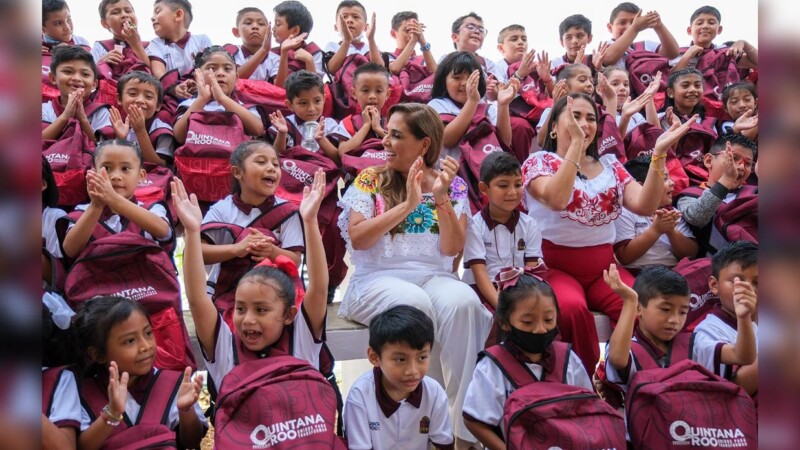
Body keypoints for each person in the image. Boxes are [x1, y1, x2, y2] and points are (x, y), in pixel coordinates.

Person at [337, 102, 491, 447]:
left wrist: (441, 198)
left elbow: (452, 248)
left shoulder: (453, 186)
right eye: (387, 133)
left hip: (435, 277)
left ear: (424, 144)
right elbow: (358, 239)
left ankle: (465, 433)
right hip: (375, 279)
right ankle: (426, 429)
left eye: (396, 135)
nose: (385, 141)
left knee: (464, 303)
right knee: (415, 304)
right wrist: (407, 205)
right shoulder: (371, 179)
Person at [521, 93, 696, 373]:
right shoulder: (538, 162)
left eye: (591, 118)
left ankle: (642, 379)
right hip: (554, 268)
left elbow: (645, 205)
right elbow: (556, 199)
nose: (584, 123)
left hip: (605, 270)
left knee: (641, 305)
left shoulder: (611, 165)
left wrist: (659, 154)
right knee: (572, 309)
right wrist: (575, 147)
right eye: (575, 116)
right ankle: (588, 382)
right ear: (553, 127)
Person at [174, 167, 328, 392]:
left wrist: (310, 221)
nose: (247, 319)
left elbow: (319, 287)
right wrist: (191, 232)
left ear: (289, 315)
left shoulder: (301, 338)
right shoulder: (225, 347)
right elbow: (197, 299)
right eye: (240, 308)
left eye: (261, 310)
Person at [462, 268, 593, 449]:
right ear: (504, 323)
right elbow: (474, 420)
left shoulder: (569, 360)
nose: (540, 329)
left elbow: (587, 409)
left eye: (548, 320)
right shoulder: (492, 366)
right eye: (528, 322)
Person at [71, 296, 206, 450]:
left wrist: (186, 410)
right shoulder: (84, 394)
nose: (145, 346)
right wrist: (111, 414)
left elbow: (191, 442)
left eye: (148, 333)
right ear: (97, 354)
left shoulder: (172, 384)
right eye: (130, 341)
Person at [603, 264, 757, 391]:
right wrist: (629, 302)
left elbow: (742, 356)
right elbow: (618, 360)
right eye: (665, 309)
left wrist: (744, 317)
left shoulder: (694, 344)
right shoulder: (628, 348)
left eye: (683, 312)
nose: (675, 320)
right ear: (638, 308)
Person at [199, 141, 304, 307]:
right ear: (237, 172)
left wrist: (271, 251)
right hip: (226, 294)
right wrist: (236, 249)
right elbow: (199, 252)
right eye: (261, 162)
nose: (271, 168)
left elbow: (295, 261)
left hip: (274, 297)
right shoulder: (221, 209)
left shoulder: (288, 211)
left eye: (275, 164)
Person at [344, 305, 454, 450]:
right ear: (374, 357)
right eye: (400, 359)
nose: (412, 371)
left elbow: (443, 444)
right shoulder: (360, 396)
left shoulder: (434, 393)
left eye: (422, 357)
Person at [59, 140, 173, 259]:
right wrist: (96, 206)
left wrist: (113, 199)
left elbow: (163, 232)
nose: (116, 176)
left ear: (141, 176)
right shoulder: (83, 211)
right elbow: (70, 250)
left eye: (125, 168)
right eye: (107, 168)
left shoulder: (151, 208)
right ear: (94, 173)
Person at [428, 51, 516, 164]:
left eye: (471, 77)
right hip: (451, 172)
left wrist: (503, 105)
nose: (465, 83)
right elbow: (447, 140)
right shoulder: (438, 104)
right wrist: (472, 101)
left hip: (484, 171)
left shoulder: (487, 109)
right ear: (443, 81)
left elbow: (504, 142)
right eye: (457, 77)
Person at [675, 134, 756, 255]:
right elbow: (696, 218)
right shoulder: (690, 195)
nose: (741, 167)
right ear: (708, 160)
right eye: (733, 158)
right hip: (708, 263)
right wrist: (726, 181)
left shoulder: (755, 193)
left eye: (748, 164)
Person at [694, 241, 758, 395]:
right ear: (714, 285)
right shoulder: (708, 330)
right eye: (737, 281)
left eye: (758, 282)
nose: (749, 288)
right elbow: (730, 390)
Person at [614, 155, 697, 271]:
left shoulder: (672, 212)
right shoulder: (625, 211)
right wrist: (656, 230)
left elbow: (692, 254)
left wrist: (672, 231)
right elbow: (623, 257)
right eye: (665, 179)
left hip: (672, 272)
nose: (672, 183)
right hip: (637, 273)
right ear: (642, 186)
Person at [172, 46, 265, 143]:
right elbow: (179, 136)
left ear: (236, 78)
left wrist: (222, 99)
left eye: (227, 69)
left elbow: (257, 130)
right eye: (212, 68)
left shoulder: (243, 107)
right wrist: (202, 99)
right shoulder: (189, 105)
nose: (220, 73)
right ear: (197, 76)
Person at [42, 45, 113, 143]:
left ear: (94, 84)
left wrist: (82, 119)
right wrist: (65, 116)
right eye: (68, 72)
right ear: (53, 78)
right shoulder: (44, 109)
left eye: (85, 74)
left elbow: (101, 146)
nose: (77, 78)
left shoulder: (100, 112)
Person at [269, 70, 340, 163]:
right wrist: (282, 133)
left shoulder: (331, 125)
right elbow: (276, 157)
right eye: (303, 103)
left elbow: (338, 160)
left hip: (325, 169)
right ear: (290, 105)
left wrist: (321, 139)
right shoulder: (285, 125)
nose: (311, 109)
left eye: (317, 101)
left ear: (324, 99)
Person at [146, 0, 212, 98]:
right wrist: (174, 89)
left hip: (201, 95)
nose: (152, 18)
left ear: (178, 15)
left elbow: (209, 68)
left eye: (158, 11)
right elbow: (158, 72)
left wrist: (198, 84)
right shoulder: (156, 44)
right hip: (170, 97)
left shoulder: (202, 40)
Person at [109, 71, 173, 166]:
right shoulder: (116, 124)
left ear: (158, 105)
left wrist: (140, 131)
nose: (140, 100)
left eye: (148, 97)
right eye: (132, 94)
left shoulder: (162, 130)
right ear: (119, 99)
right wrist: (121, 139)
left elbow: (160, 165)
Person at [671, 5, 758, 72]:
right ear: (689, 30)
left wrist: (744, 43)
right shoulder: (676, 53)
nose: (705, 26)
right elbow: (668, 79)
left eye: (711, 23)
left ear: (719, 30)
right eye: (699, 23)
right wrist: (687, 56)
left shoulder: (724, 54)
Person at [334, 63, 391, 158]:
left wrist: (378, 129)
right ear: (353, 93)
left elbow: (403, 147)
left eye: (379, 91)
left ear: (387, 94)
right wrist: (366, 125)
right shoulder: (348, 122)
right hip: (360, 166)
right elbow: (342, 152)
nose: (372, 96)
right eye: (365, 90)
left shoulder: (393, 121)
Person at [601, 2, 680, 69]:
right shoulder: (607, 45)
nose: (629, 27)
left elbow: (673, 53)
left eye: (633, 22)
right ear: (610, 27)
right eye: (622, 23)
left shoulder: (645, 45)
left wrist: (659, 26)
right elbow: (607, 59)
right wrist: (635, 27)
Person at [271, 0, 325, 87]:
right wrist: (284, 53)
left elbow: (317, 89)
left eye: (278, 24)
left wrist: (309, 61)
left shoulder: (314, 52)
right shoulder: (273, 53)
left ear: (295, 30)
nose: (273, 29)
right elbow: (279, 88)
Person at [91, 0, 150, 77]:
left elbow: (156, 76)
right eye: (115, 12)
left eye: (128, 11)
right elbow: (87, 72)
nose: (124, 15)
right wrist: (101, 62)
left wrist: (136, 45)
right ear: (105, 23)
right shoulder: (100, 47)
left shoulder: (150, 46)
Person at [324, 1, 385, 74]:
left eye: (355, 17)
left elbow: (381, 71)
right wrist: (347, 41)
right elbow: (331, 69)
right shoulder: (333, 46)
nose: (349, 20)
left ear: (366, 27)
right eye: (344, 17)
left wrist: (371, 39)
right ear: (336, 27)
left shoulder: (372, 48)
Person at [603, 66, 660, 135]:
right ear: (599, 89)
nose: (622, 88)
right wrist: (625, 117)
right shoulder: (598, 115)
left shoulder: (635, 115)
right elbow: (611, 140)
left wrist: (649, 97)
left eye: (626, 84)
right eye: (615, 84)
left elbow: (655, 136)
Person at [226, 7, 278, 81]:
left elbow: (279, 87)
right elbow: (233, 80)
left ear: (269, 31)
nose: (255, 27)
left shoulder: (275, 59)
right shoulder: (230, 52)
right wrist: (263, 50)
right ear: (236, 32)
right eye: (248, 23)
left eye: (261, 24)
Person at [386, 11, 436, 76]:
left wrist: (423, 42)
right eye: (407, 30)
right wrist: (413, 40)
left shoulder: (424, 58)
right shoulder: (387, 56)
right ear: (393, 34)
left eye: (415, 30)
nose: (412, 34)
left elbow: (435, 74)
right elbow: (394, 69)